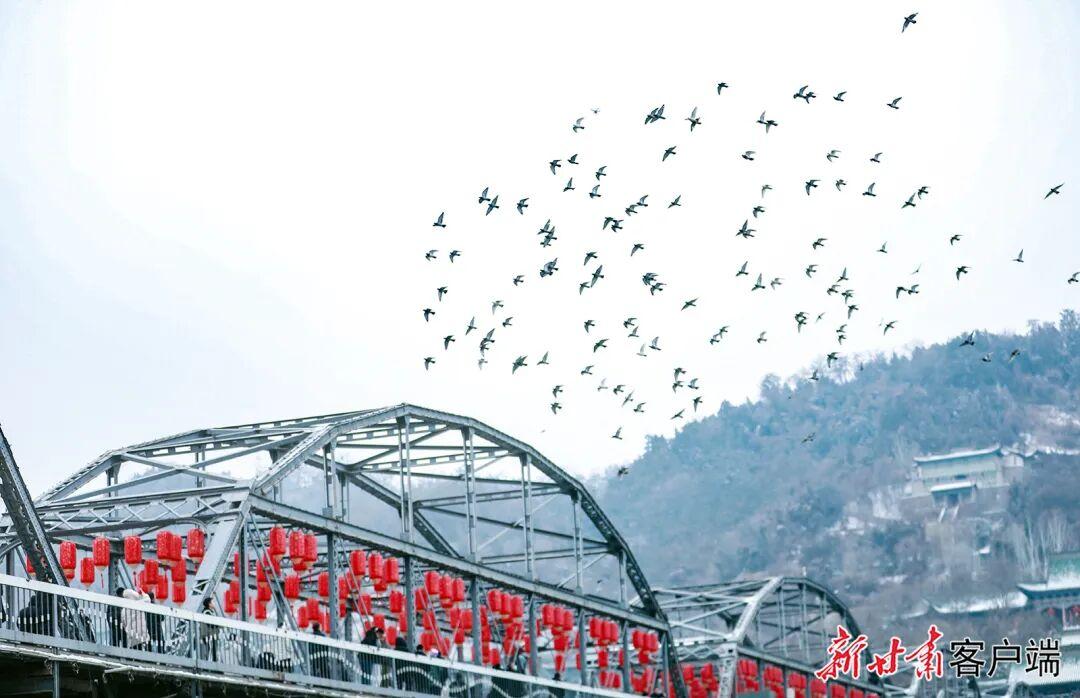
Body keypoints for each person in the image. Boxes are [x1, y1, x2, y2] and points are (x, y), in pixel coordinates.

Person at [200, 597, 219, 661]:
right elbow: (210, 623)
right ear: (209, 604)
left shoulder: (210, 612)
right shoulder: (206, 612)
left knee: (213, 650)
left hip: (211, 634)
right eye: (213, 602)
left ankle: (214, 665)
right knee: (210, 650)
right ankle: (210, 666)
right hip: (208, 634)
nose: (214, 603)